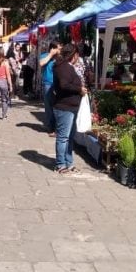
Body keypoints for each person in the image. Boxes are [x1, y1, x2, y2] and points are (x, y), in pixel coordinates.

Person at [52, 43, 87, 174]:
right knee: (63, 137)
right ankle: (60, 164)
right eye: (77, 54)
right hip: (64, 107)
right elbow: (64, 85)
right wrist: (79, 89)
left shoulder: (67, 66)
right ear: (74, 54)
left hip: (71, 106)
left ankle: (69, 162)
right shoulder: (63, 67)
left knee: (69, 137)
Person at [39, 41, 61, 137]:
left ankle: (55, 127)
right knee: (49, 107)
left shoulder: (60, 58)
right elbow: (41, 63)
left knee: (57, 106)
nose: (60, 50)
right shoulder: (44, 55)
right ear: (53, 49)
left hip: (58, 84)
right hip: (48, 84)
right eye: (59, 48)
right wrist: (51, 55)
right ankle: (50, 128)